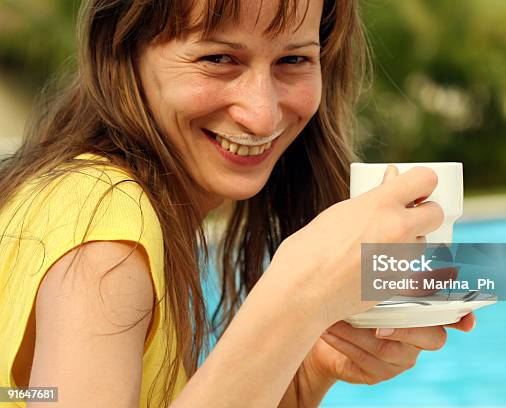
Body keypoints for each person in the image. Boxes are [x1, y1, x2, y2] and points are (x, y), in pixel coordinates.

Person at [0, 0, 475, 407]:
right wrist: (298, 298)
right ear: (121, 51)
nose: (261, 113)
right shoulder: (105, 220)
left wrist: (301, 373)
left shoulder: (70, 196)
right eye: (218, 58)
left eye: (293, 61)